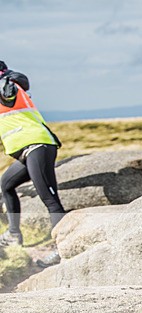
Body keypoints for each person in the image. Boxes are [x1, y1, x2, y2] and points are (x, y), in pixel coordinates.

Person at [0, 60, 65, 267]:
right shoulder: (8, 82)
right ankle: (13, 234)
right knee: (6, 184)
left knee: (50, 201)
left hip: (37, 146)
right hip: (28, 149)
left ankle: (62, 250)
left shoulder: (5, 86)